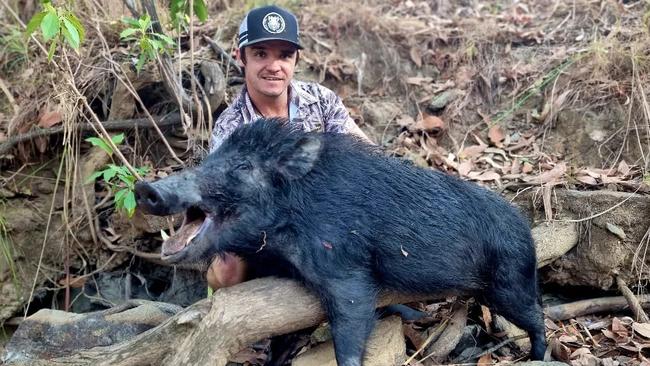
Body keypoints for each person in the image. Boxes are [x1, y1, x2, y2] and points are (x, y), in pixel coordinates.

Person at [207, 5, 372, 290]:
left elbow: (364, 155)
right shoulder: (231, 128)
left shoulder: (321, 100)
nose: (274, 66)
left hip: (332, 209)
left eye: (284, 55)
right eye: (261, 54)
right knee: (226, 272)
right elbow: (233, 208)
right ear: (240, 57)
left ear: (296, 59)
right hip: (269, 227)